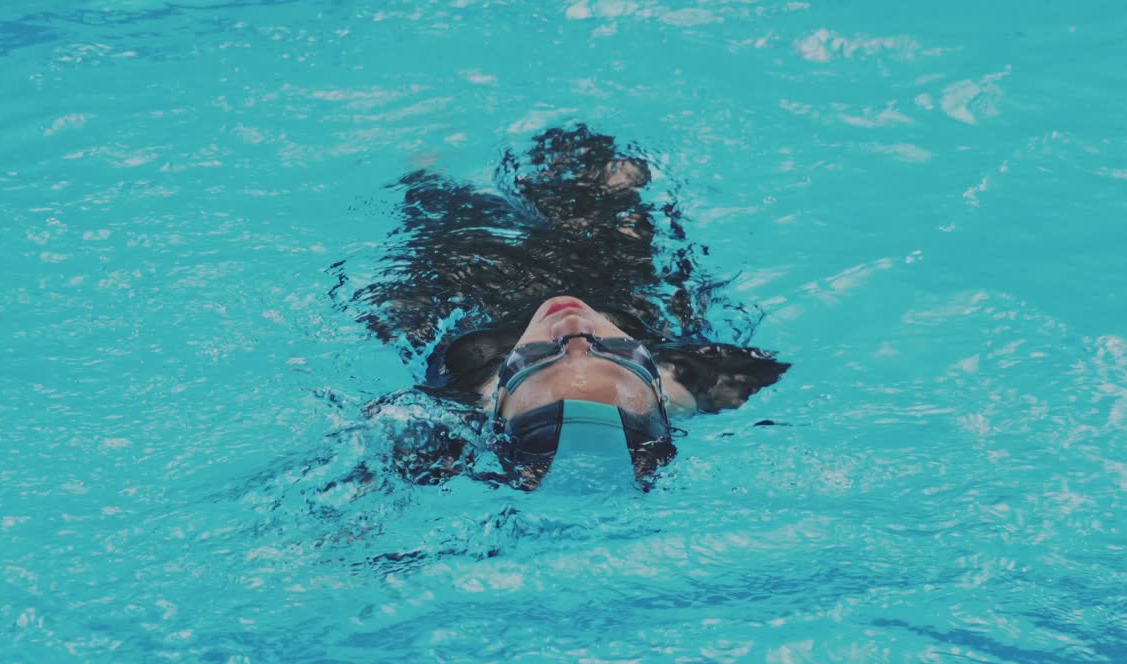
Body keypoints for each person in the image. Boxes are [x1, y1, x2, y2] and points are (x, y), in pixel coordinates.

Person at [328, 125, 789, 490]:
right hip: (609, 268)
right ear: (658, 379)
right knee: (598, 158)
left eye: (538, 359)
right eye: (615, 350)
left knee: (429, 180)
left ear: (498, 399)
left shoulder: (454, 418)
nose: (572, 323)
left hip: (463, 275)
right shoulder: (692, 382)